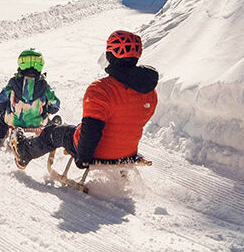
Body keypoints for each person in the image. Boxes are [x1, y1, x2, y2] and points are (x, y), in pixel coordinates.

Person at [14, 30, 158, 170]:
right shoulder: (150, 93)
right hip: (128, 153)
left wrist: (82, 158)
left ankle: (24, 152)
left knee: (53, 133)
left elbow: (91, 130)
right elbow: (127, 122)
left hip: (96, 153)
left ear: (110, 56)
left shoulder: (101, 89)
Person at [0, 49, 61, 143]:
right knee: (44, 109)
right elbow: (55, 105)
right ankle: (51, 127)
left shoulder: (13, 83)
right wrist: (50, 108)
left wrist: (4, 104)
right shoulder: (44, 85)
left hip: (15, 122)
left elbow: (0, 101)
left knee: (2, 113)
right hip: (38, 123)